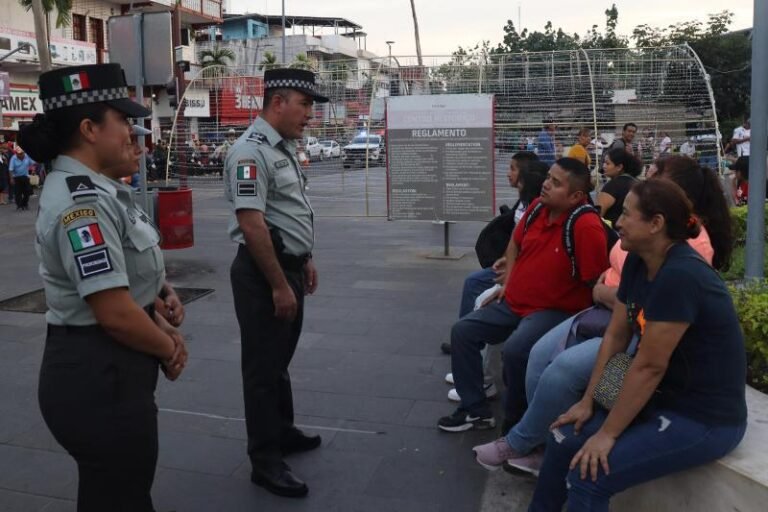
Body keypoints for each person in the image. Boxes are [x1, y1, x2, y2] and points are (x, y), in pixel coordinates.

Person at [471, 155, 733, 475]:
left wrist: (605, 293)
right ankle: (539, 443)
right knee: (537, 355)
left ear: (663, 212)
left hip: (635, 328)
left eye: (653, 176)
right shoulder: (641, 246)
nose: (618, 222)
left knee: (560, 371)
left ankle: (523, 441)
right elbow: (620, 302)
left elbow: (648, 329)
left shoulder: (683, 252)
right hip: (608, 315)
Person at [20, 63, 188, 512]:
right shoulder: (84, 203)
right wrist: (167, 347)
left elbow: (117, 283)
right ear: (90, 128)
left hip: (107, 371)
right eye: (123, 121)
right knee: (120, 496)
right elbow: (112, 311)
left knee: (118, 494)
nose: (133, 133)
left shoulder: (99, 191)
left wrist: (156, 297)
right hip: (99, 378)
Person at [527, 179, 747, 512]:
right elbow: (616, 336)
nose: (617, 222)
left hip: (703, 418)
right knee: (562, 441)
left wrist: (607, 434)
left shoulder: (681, 275)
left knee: (589, 474)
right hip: (658, 397)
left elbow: (649, 365)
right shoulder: (637, 260)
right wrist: (589, 401)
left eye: (627, 215)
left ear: (656, 224)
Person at [438, 158, 609, 433]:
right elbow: (515, 244)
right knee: (463, 331)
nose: (545, 184)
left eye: (556, 183)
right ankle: (475, 410)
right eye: (548, 178)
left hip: (553, 310)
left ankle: (517, 424)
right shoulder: (537, 208)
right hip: (515, 301)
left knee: (517, 350)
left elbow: (594, 281)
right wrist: (508, 283)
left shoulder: (585, 226)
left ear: (576, 196)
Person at [224, 68, 328, 499]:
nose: (309, 115)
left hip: (285, 266)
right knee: (263, 369)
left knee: (278, 360)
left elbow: (287, 212)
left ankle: (282, 431)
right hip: (261, 273)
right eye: (304, 105)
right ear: (279, 102)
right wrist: (278, 285)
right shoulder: (251, 152)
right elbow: (252, 224)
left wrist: (303, 259)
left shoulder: (281, 148)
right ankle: (265, 461)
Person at [597, 148, 641, 227]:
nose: (604, 166)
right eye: (604, 163)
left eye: (607, 163)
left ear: (619, 167)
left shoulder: (612, 186)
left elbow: (597, 215)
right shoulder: (638, 183)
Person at [9, 145, 34, 210]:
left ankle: (24, 203)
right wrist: (11, 178)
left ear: (23, 153)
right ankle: (19, 205)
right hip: (16, 177)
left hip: (25, 176)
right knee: (18, 193)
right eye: (18, 154)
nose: (20, 155)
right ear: (16, 154)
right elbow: (10, 169)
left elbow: (32, 163)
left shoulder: (27, 156)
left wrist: (33, 169)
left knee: (27, 192)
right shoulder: (13, 158)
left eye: (21, 153)